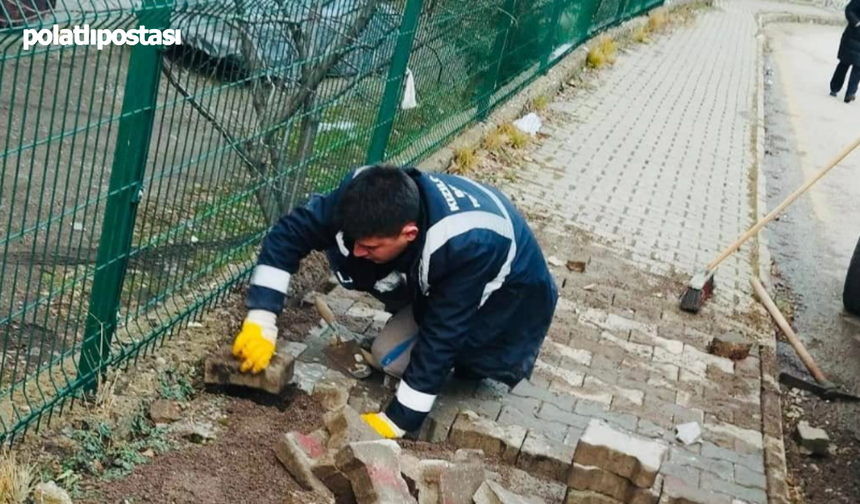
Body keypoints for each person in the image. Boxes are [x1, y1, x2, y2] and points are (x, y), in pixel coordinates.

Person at [230, 164, 558, 438]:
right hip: (454, 266)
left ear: (409, 234)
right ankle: (416, 303)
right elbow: (287, 235)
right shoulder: (361, 197)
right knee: (389, 317)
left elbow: (443, 335)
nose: (358, 251)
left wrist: (398, 421)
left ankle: (479, 360)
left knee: (394, 358)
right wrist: (261, 320)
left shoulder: (465, 246)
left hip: (510, 300)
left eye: (370, 247)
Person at [831, 0, 860, 103]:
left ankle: (850, 93)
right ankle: (834, 88)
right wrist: (857, 23)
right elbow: (849, 10)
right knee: (844, 63)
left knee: (858, 68)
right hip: (852, 36)